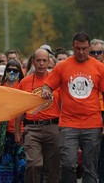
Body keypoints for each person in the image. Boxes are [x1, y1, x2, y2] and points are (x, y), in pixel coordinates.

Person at [42, 32, 104, 183]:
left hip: (92, 124)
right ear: (73, 47)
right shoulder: (62, 66)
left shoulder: (99, 68)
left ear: (89, 47)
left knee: (90, 167)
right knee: (68, 164)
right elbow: (48, 84)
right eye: (77, 49)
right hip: (69, 124)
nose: (81, 52)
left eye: (84, 48)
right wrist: (46, 90)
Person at [15, 48, 60, 183]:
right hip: (32, 128)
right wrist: (17, 131)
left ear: (49, 62)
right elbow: (20, 109)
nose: (41, 64)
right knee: (34, 164)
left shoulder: (56, 81)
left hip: (53, 127)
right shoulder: (25, 82)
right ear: (33, 62)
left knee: (52, 168)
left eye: (44, 61)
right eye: (38, 60)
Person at [0, 59, 26, 183]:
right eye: (9, 70)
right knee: (5, 171)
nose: (12, 72)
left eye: (15, 70)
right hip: (4, 134)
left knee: (21, 166)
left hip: (21, 132)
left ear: (20, 72)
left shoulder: (23, 87)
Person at [89, 38, 104, 182]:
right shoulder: (86, 70)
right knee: (93, 155)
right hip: (91, 113)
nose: (96, 55)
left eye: (99, 52)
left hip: (102, 113)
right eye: (92, 52)